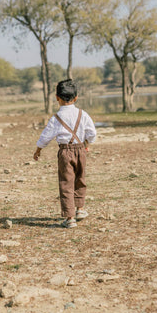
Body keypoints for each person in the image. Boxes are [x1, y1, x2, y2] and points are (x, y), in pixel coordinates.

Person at [33, 79, 96, 228]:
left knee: (66, 183)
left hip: (65, 152)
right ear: (76, 98)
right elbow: (91, 132)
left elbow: (46, 136)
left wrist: (38, 150)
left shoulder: (56, 118)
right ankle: (80, 209)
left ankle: (70, 218)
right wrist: (87, 143)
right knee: (80, 179)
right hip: (81, 150)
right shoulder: (83, 114)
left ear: (57, 98)